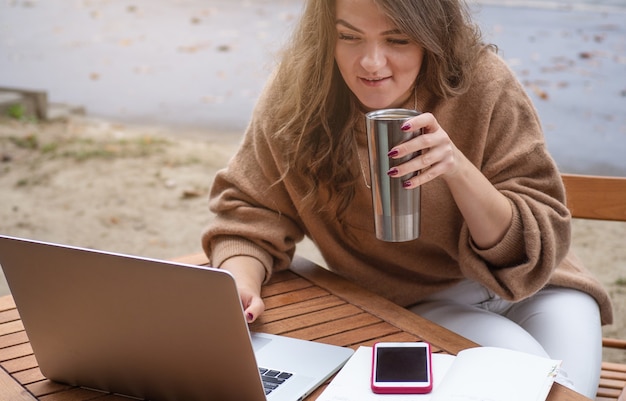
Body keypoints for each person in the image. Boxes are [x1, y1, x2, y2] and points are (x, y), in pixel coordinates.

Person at [202, 0, 613, 397]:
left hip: (542, 285)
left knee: (565, 393)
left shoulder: (482, 83)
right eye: (349, 36)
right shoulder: (297, 97)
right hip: (425, 300)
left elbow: (535, 234)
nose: (371, 63)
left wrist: (456, 168)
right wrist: (240, 281)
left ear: (431, 37)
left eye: (397, 40)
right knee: (529, 387)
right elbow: (251, 210)